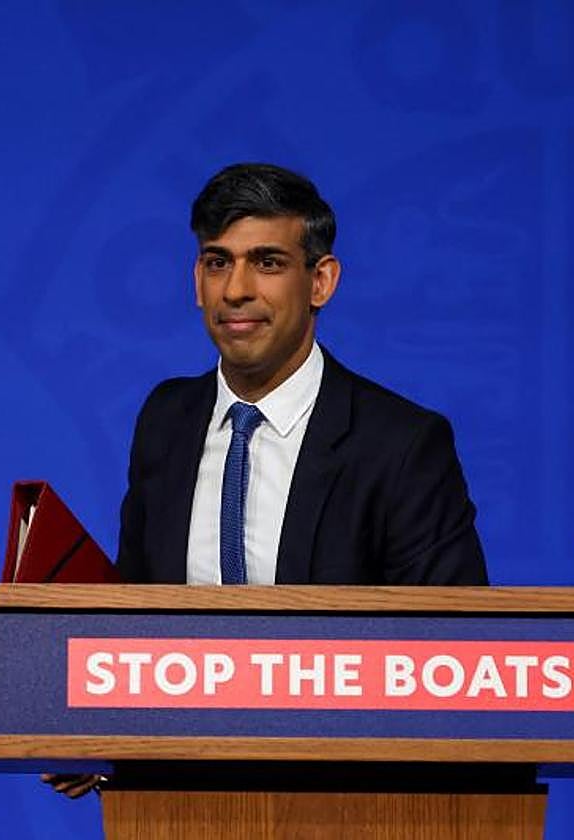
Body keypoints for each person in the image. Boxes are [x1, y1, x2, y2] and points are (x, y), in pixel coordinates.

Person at [44, 162, 487, 798]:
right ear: (196, 281)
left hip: (344, 804)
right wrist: (88, 728)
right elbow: (136, 614)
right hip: (171, 803)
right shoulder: (165, 420)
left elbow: (456, 660)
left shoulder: (401, 443)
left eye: (268, 263)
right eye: (217, 262)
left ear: (321, 281)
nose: (236, 290)